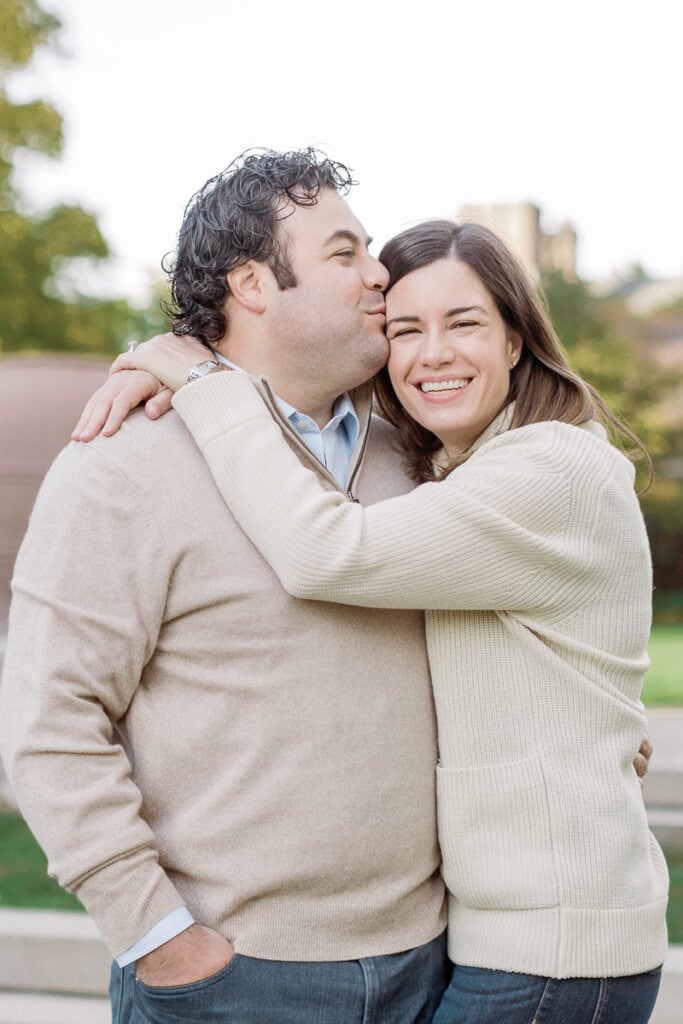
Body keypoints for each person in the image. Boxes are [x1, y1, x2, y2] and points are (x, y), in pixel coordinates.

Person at [97, 218, 669, 1023]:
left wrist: (203, 384)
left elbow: (327, 552)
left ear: (515, 340)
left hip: (551, 952)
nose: (432, 353)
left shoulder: (551, 467)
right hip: (497, 939)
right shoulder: (460, 473)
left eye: (463, 322)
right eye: (404, 330)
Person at [0, 149, 451, 1024]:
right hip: (234, 979)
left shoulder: (415, 457)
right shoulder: (122, 467)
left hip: (429, 966)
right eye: (343, 252)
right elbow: (47, 723)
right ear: (251, 283)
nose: (380, 273)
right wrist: (161, 939)